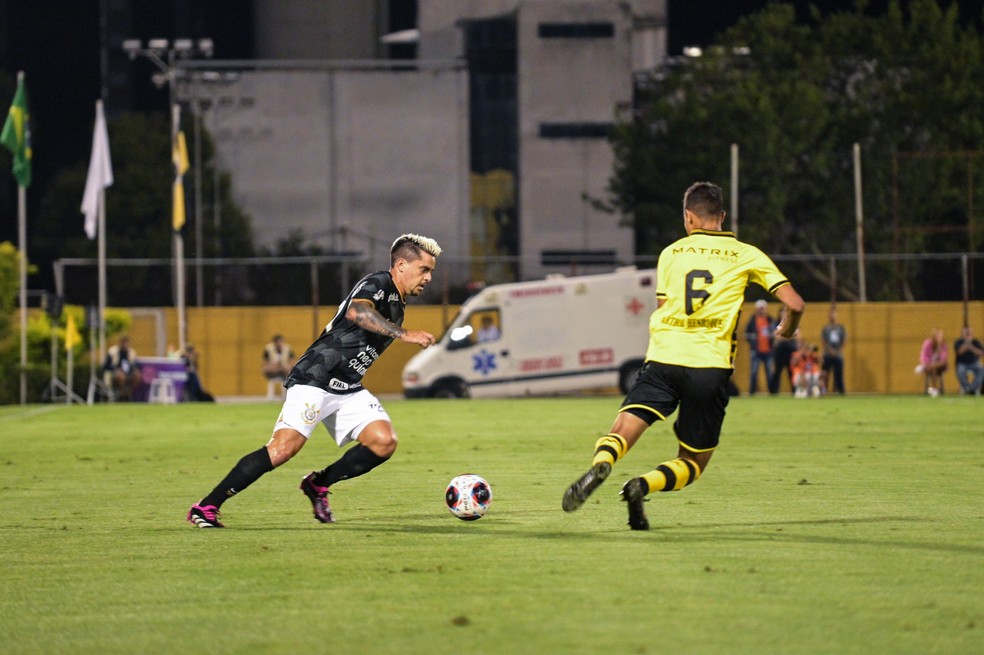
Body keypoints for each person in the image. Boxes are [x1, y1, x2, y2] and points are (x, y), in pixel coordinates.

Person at [561, 181, 804, 530]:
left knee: (623, 427)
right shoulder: (747, 254)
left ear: (688, 217)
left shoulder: (671, 253)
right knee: (692, 462)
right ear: (721, 216)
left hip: (664, 358)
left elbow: (664, 306)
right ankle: (642, 486)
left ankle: (603, 462)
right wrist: (789, 327)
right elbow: (795, 303)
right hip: (710, 366)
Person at [187, 233, 442, 528]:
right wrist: (403, 333)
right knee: (282, 449)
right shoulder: (380, 283)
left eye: (431, 271)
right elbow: (357, 311)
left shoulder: (399, 302)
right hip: (317, 377)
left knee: (383, 442)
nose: (429, 277)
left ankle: (318, 484)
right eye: (424, 269)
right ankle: (206, 507)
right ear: (400, 265)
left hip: (347, 386)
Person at [743, 299, 775, 394]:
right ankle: (752, 391)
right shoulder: (752, 321)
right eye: (759, 308)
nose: (761, 310)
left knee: (769, 372)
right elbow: (746, 334)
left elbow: (775, 332)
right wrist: (752, 339)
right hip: (756, 350)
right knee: (754, 372)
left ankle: (772, 392)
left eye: (763, 308)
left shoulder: (770, 320)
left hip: (768, 350)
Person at [103, 335, 142, 401]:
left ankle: (128, 393)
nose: (125, 345)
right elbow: (106, 366)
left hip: (128, 374)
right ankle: (121, 395)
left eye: (127, 343)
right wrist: (116, 370)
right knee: (120, 375)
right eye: (123, 343)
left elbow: (135, 366)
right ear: (120, 343)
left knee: (137, 375)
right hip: (114, 375)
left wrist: (133, 371)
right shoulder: (112, 352)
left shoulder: (132, 353)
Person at [770, 308, 798, 394]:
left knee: (791, 371)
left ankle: (795, 390)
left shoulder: (792, 323)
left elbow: (797, 335)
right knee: (777, 371)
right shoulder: (776, 323)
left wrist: (783, 335)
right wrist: (788, 335)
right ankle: (774, 391)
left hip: (790, 350)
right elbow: (776, 336)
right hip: (780, 350)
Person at [820, 306, 846, 394]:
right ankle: (824, 392)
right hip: (827, 355)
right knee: (825, 375)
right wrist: (830, 350)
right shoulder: (826, 328)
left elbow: (844, 341)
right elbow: (823, 341)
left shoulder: (841, 328)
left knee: (839, 376)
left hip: (838, 355)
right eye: (831, 314)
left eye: (834, 314)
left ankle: (841, 392)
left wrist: (837, 351)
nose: (832, 316)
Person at [953, 326, 984, 395]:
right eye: (966, 332)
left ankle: (972, 389)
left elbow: (981, 353)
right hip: (962, 363)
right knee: (960, 371)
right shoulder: (959, 342)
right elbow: (959, 352)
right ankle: (966, 387)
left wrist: (972, 347)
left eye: (969, 332)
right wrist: (966, 344)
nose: (968, 334)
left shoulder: (976, 342)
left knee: (981, 370)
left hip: (974, 363)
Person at [262, 334, 295, 399]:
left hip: (284, 369)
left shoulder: (287, 348)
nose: (279, 344)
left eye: (281, 342)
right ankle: (271, 396)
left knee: (287, 368)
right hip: (272, 369)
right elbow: (265, 363)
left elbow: (292, 361)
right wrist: (275, 366)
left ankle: (285, 394)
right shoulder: (268, 349)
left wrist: (287, 367)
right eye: (278, 342)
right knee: (272, 367)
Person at [918, 327, 948, 396]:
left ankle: (933, 389)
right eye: (937, 336)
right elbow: (924, 356)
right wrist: (926, 364)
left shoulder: (943, 345)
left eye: (940, 335)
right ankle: (934, 389)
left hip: (940, 365)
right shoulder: (927, 344)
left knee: (934, 367)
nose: (939, 337)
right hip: (929, 365)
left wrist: (940, 348)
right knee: (933, 369)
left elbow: (944, 359)